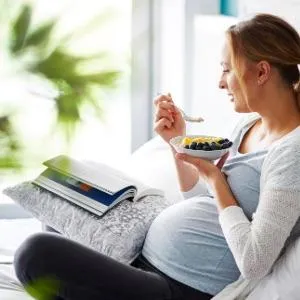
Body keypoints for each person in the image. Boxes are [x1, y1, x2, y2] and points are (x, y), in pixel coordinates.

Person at [14, 13, 300, 300]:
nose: (220, 83)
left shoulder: (292, 153)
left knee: (35, 252)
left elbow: (255, 262)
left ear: (262, 72)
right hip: (142, 258)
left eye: (227, 70)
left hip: (180, 286)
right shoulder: (249, 126)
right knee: (62, 211)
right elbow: (205, 204)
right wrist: (178, 143)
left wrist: (216, 181)